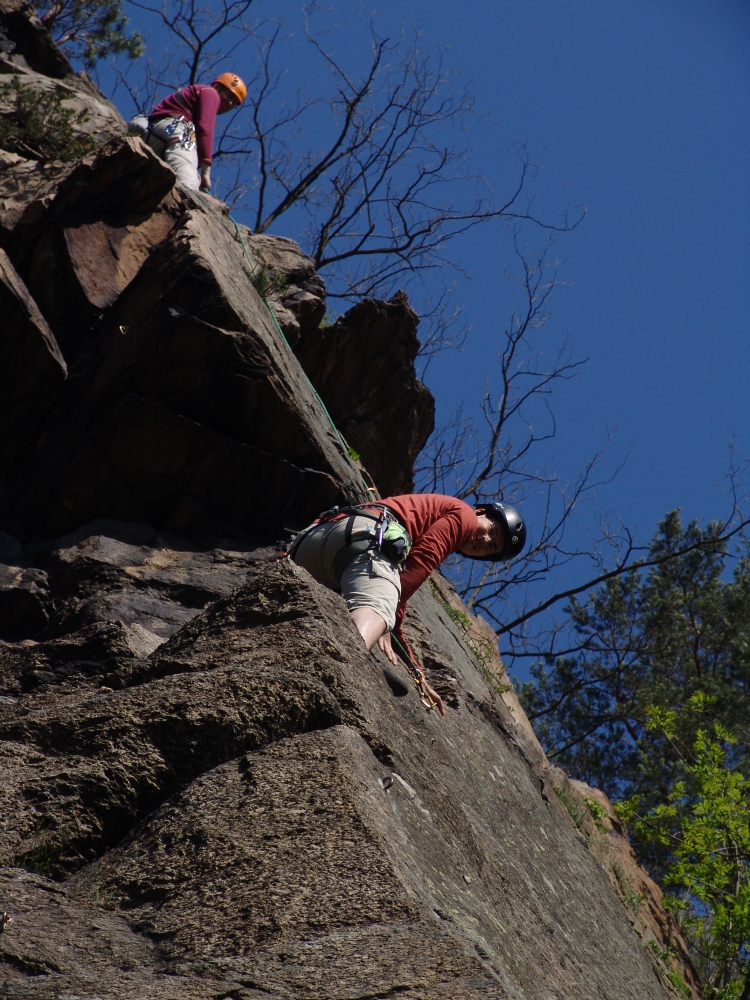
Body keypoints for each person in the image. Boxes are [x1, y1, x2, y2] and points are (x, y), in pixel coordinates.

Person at [290, 493, 526, 715]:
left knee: (378, 611)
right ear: (481, 511)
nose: (485, 540)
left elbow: (395, 613)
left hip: (310, 544)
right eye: (492, 531)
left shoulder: (428, 512)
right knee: (377, 612)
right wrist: (384, 619)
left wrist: (417, 673)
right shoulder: (464, 514)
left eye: (491, 548)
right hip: (364, 538)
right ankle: (337, 665)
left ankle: (347, 651)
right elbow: (422, 560)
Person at [130, 73, 247, 192]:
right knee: (188, 178)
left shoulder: (192, 95)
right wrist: (205, 173)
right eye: (229, 96)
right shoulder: (210, 93)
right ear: (217, 87)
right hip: (177, 131)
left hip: (152, 135)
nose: (230, 103)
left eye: (234, 103)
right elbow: (205, 128)